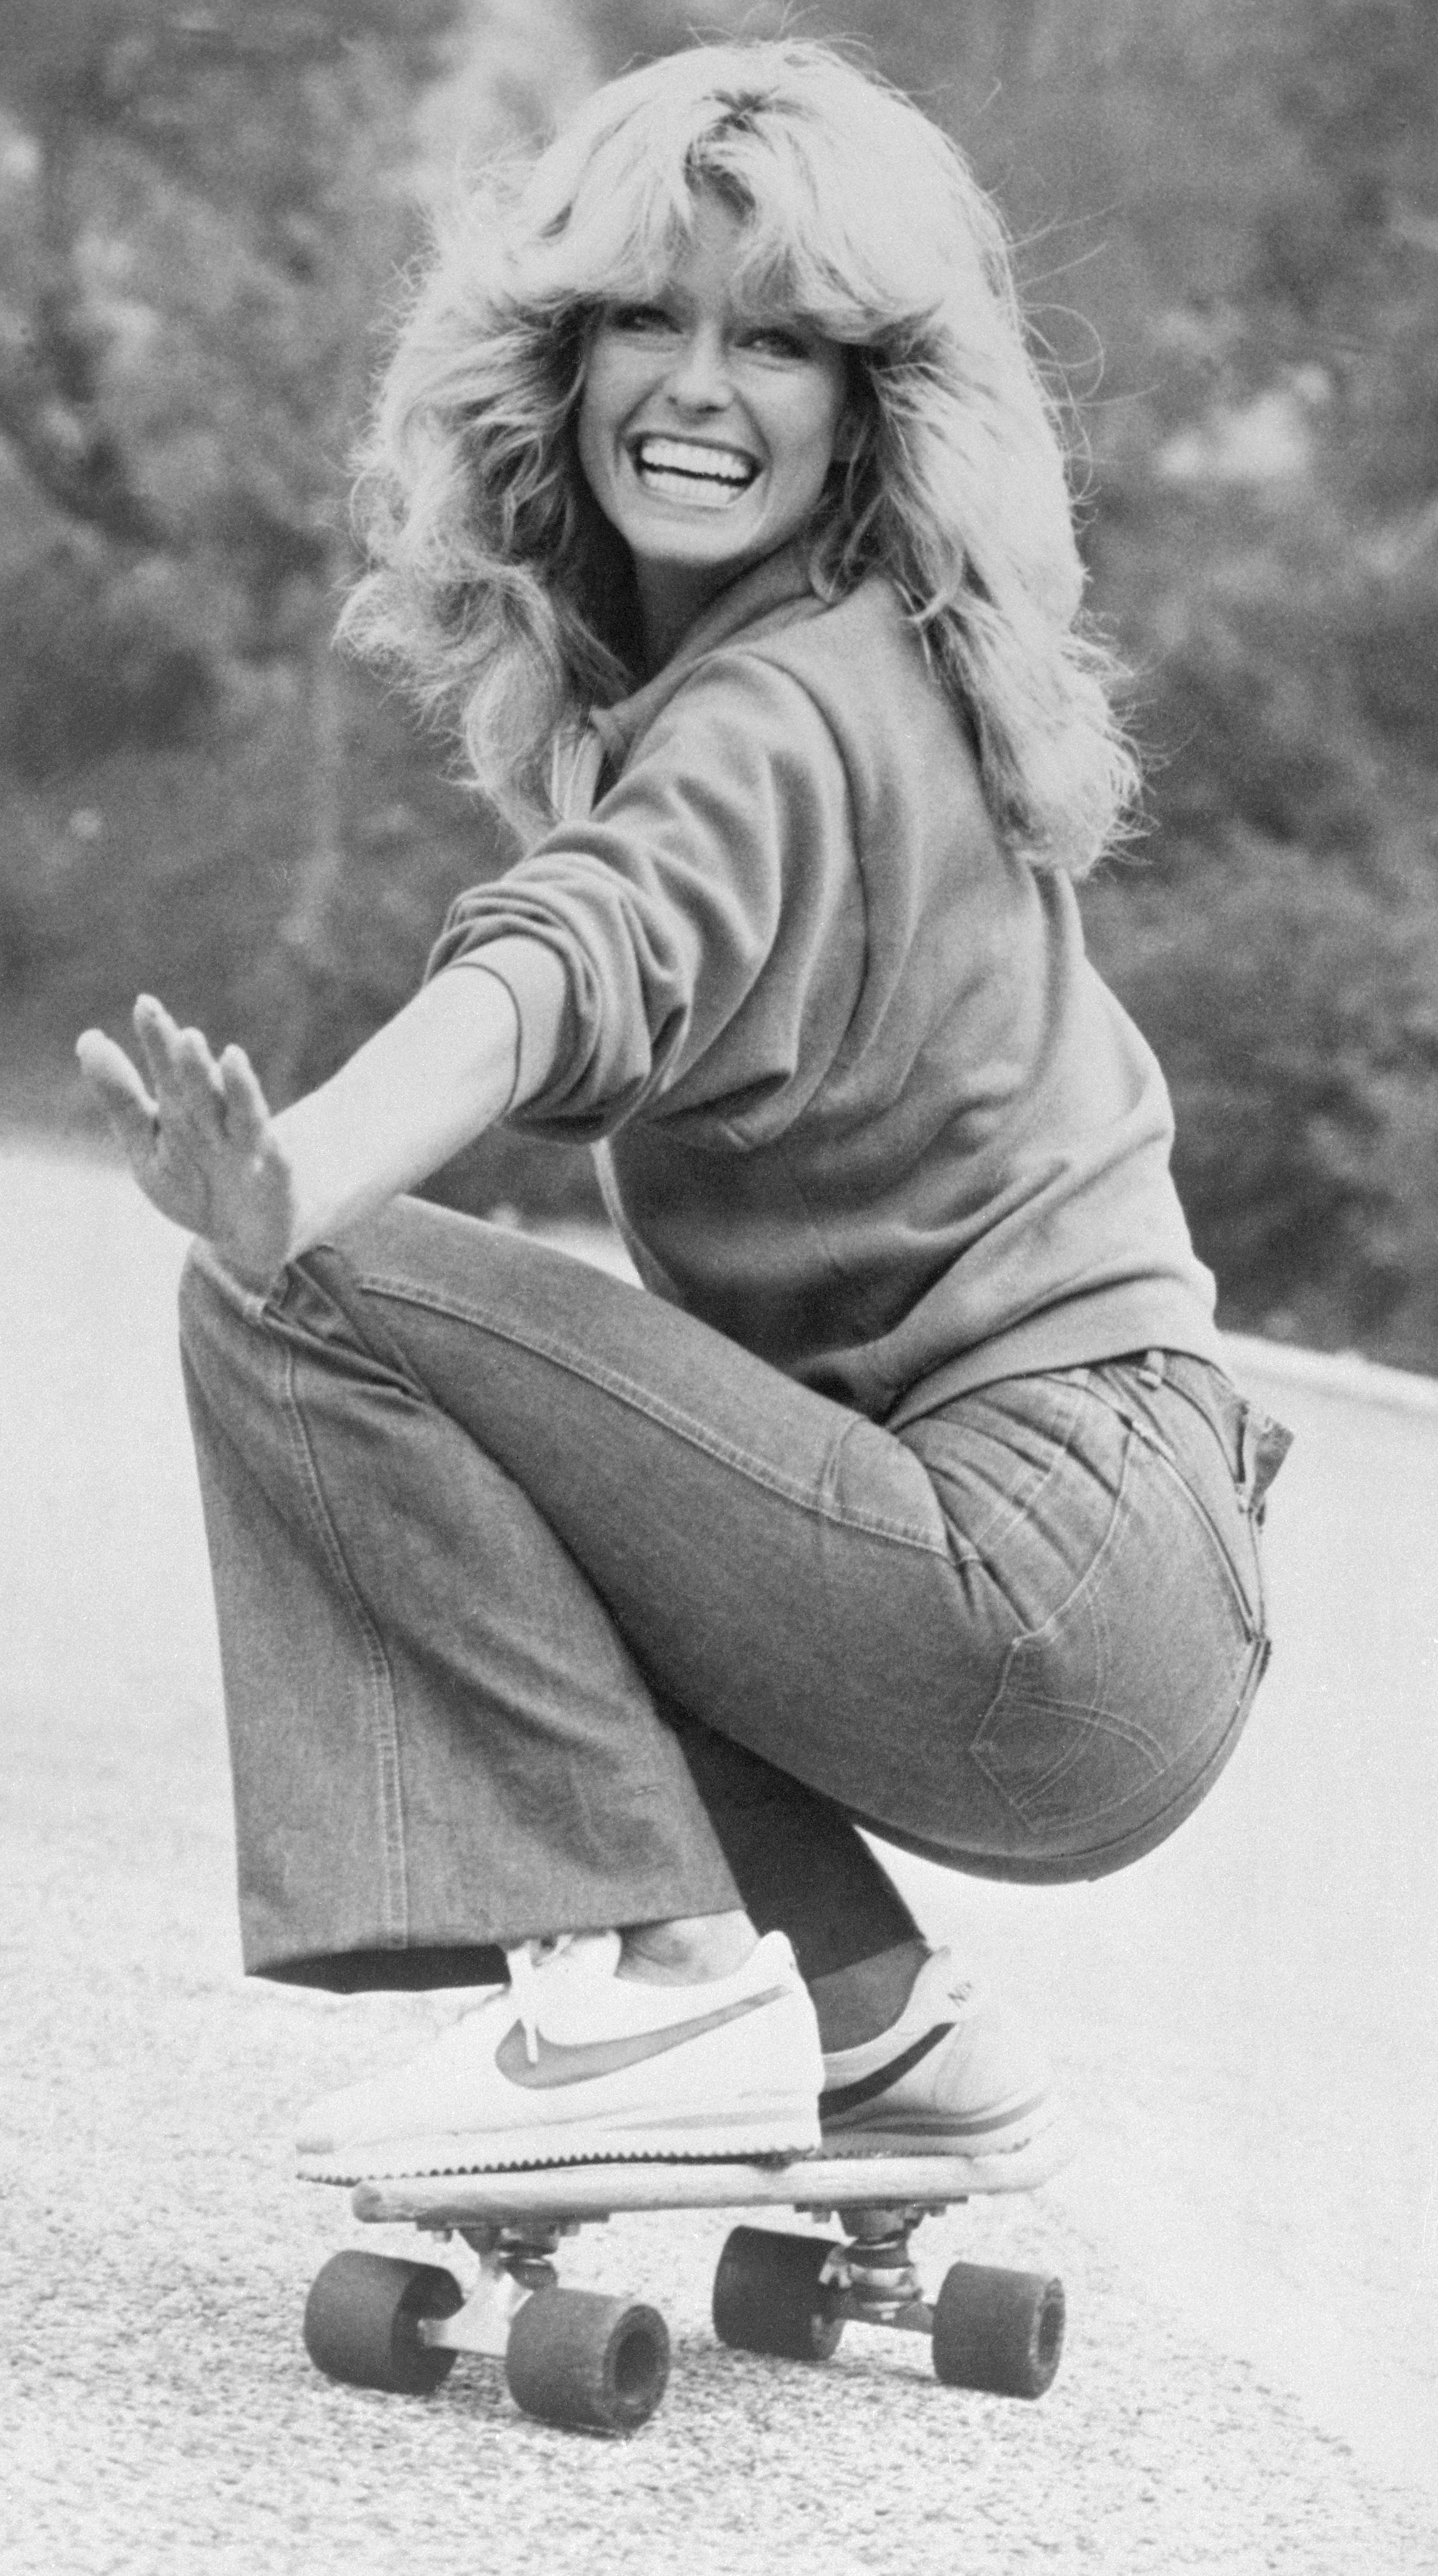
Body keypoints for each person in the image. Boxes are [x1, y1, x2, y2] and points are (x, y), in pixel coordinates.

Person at [77, 40, 1289, 2188]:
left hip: (1031, 1558)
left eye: (786, 338)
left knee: (308, 1304)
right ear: (550, 361)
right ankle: (857, 2012)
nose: (702, 387)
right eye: (652, 316)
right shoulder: (873, 664)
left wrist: (303, 1181)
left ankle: (650, 1980)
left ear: (873, 401)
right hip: (1134, 1584)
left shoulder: (777, 709)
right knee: (528, 1462)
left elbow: (569, 957)